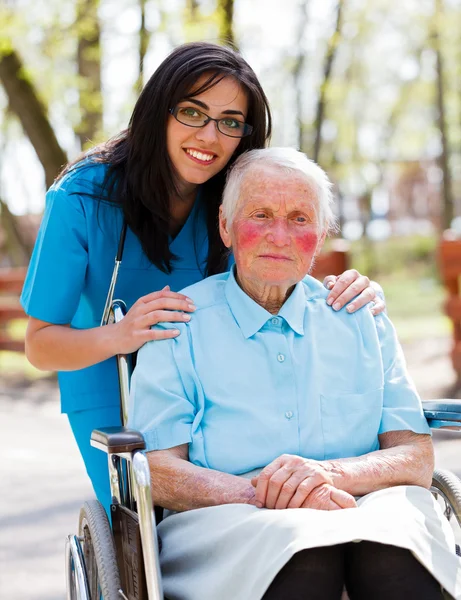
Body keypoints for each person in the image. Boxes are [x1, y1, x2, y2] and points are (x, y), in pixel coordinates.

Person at [21, 42, 384, 516]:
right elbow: (40, 343)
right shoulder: (81, 199)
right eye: (193, 112)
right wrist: (123, 334)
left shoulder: (232, 199)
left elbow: (273, 279)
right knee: (143, 526)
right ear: (159, 110)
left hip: (213, 386)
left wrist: (356, 292)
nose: (210, 136)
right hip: (110, 389)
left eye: (231, 121)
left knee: (246, 513)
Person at [129, 147, 461, 600]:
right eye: (261, 214)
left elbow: (415, 457)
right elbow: (159, 470)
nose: (279, 235)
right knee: (307, 557)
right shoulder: (178, 326)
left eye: (300, 219)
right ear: (225, 226)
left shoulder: (360, 315)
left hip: (364, 501)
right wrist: (268, 493)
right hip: (229, 517)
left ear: (321, 234)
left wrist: (325, 476)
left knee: (392, 554)